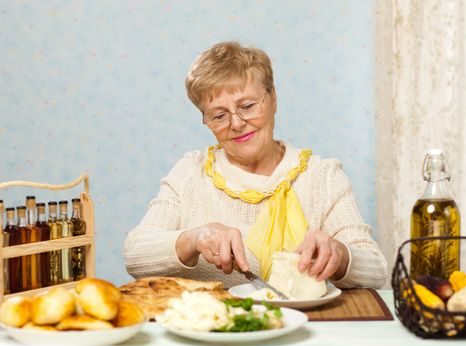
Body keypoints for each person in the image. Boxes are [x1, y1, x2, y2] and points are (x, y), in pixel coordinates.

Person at [124, 41, 387, 289]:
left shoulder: (322, 176)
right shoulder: (190, 172)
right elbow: (135, 254)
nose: (236, 123)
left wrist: (339, 254)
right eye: (219, 115)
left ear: (273, 99)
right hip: (213, 328)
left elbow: (376, 270)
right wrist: (193, 239)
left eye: (247, 106)